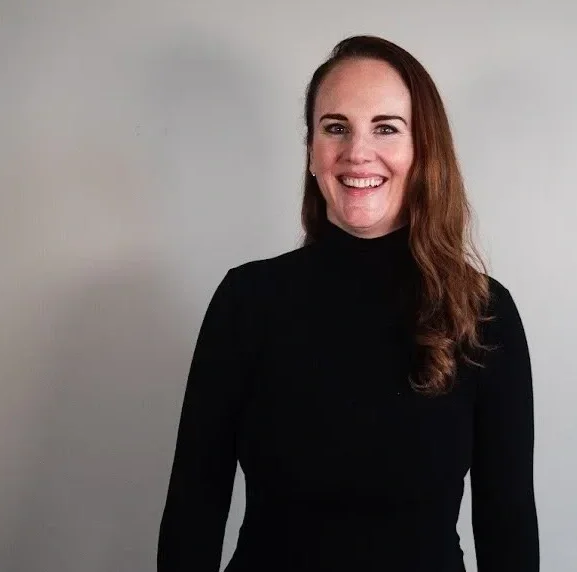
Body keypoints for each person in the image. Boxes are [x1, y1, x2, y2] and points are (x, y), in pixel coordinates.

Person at [157, 35, 538, 571]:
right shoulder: (247, 301)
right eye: (336, 128)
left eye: (386, 128)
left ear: (422, 151)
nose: (358, 153)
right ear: (312, 152)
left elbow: (508, 518)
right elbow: (195, 502)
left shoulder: (483, 312)